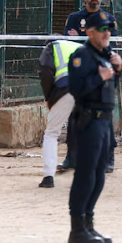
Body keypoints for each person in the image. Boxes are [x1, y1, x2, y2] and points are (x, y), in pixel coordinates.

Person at [67, 11, 121, 243]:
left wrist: (115, 70)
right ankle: (77, 229)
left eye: (108, 28)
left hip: (105, 120)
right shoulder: (82, 56)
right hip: (88, 120)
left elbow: (109, 86)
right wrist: (100, 77)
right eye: (101, 29)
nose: (106, 32)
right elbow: (77, 90)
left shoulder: (104, 56)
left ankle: (89, 223)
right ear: (89, 32)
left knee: (99, 175)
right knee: (85, 175)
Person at [61, 0, 117, 174]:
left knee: (105, 117)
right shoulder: (74, 17)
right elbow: (68, 40)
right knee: (75, 115)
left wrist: (81, 37)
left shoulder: (108, 18)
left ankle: (108, 158)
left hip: (102, 71)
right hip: (81, 70)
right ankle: (71, 157)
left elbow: (109, 44)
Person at [37, 39, 81, 188]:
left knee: (52, 133)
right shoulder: (80, 46)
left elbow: (46, 72)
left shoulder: (51, 47)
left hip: (67, 88)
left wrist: (49, 97)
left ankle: (48, 176)